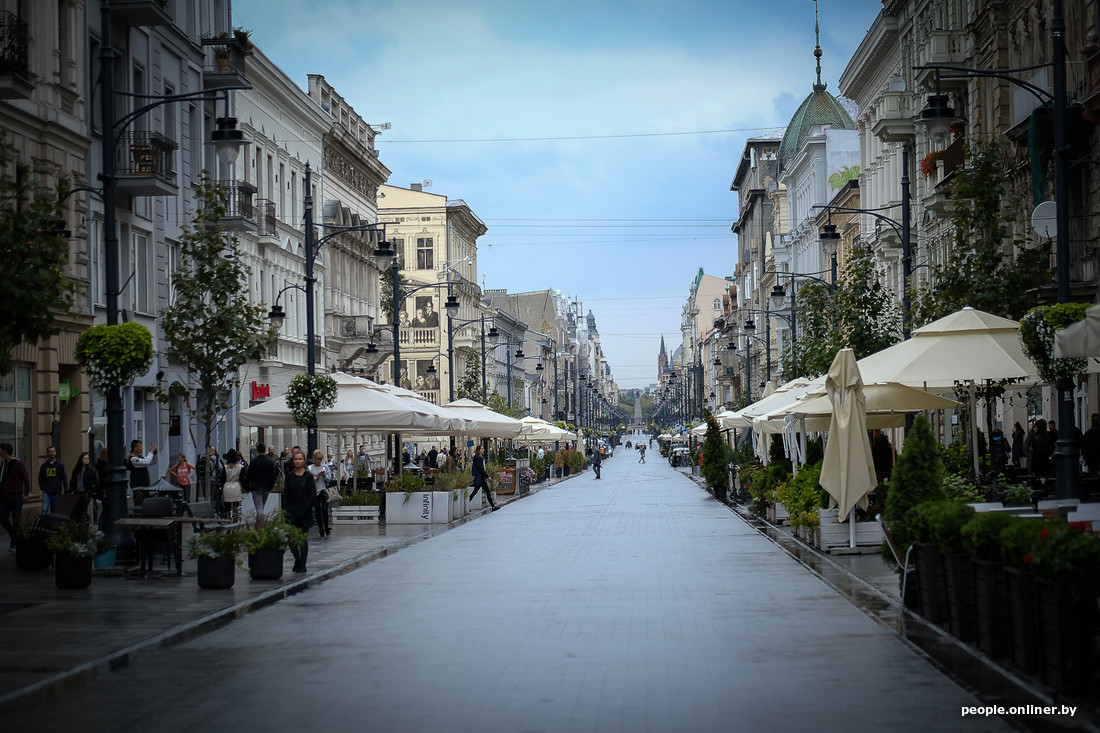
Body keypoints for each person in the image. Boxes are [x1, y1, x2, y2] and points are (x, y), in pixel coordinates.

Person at [282, 450, 313, 572]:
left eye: (300, 459)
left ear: (304, 461)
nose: (297, 461)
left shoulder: (308, 476)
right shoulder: (290, 476)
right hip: (291, 512)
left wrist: (306, 507)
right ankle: (297, 560)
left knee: (302, 539)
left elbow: (312, 496)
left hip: (304, 513)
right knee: (291, 539)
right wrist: (285, 510)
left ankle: (303, 563)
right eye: (295, 459)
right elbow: (287, 494)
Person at [0, 443, 31, 551]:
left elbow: (26, 478)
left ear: (4, 451)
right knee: (3, 518)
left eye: (1, 450)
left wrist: (26, 493)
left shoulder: (18, 463)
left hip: (17, 496)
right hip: (5, 497)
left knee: (16, 520)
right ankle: (14, 535)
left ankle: (14, 544)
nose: (0, 453)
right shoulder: (3, 464)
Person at [248, 442, 276, 522]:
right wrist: (271, 486)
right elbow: (273, 476)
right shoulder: (269, 462)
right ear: (265, 450)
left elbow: (249, 475)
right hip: (266, 487)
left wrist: (247, 486)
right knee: (261, 507)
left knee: (259, 508)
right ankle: (259, 526)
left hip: (256, 487)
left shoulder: (253, 462)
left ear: (257, 450)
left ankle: (261, 525)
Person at [307, 449, 331, 538]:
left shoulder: (325, 467)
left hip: (323, 490)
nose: (319, 461)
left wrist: (324, 476)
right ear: (314, 458)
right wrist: (316, 477)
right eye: (317, 459)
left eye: (320, 460)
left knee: (324, 509)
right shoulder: (310, 468)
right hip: (315, 492)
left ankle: (326, 528)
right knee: (317, 510)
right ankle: (321, 529)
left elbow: (329, 479)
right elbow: (308, 481)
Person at [38, 445, 67, 514]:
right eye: (50, 452)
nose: (52, 453)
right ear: (48, 453)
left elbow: (64, 477)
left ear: (55, 452)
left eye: (53, 451)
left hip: (56, 491)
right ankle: (44, 523)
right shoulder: (44, 466)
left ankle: (53, 523)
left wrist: (66, 488)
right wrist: (43, 487)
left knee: (55, 510)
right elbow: (40, 477)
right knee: (44, 509)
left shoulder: (60, 465)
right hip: (46, 491)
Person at [469, 444, 498, 510]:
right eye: (482, 449)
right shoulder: (478, 458)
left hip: (480, 478)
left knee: (483, 491)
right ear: (479, 450)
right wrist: (487, 476)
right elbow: (481, 469)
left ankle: (493, 506)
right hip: (480, 478)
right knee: (481, 492)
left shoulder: (477, 457)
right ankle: (493, 506)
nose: (483, 450)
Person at [221, 449, 244, 522]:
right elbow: (242, 479)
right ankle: (235, 525)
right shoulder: (240, 467)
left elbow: (222, 479)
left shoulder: (225, 467)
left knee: (227, 509)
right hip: (236, 487)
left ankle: (228, 522)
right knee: (235, 509)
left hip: (227, 487)